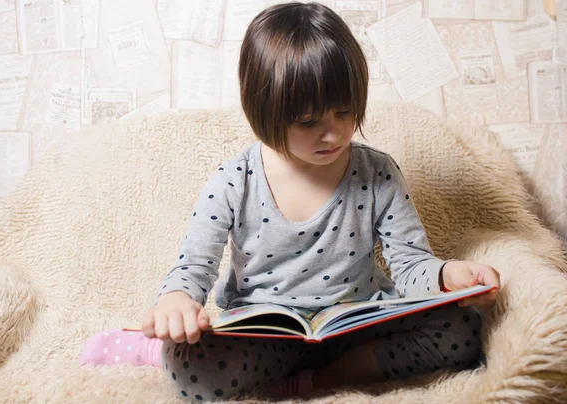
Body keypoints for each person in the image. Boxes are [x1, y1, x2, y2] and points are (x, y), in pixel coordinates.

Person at [79, 2, 501, 401]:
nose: (333, 134)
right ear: (264, 112)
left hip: (357, 326)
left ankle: (321, 380)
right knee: (189, 368)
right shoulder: (233, 181)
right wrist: (176, 301)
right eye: (308, 121)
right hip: (266, 336)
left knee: (462, 329)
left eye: (344, 111)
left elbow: (410, 266)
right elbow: (194, 266)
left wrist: (448, 274)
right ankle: (147, 351)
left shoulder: (378, 173)